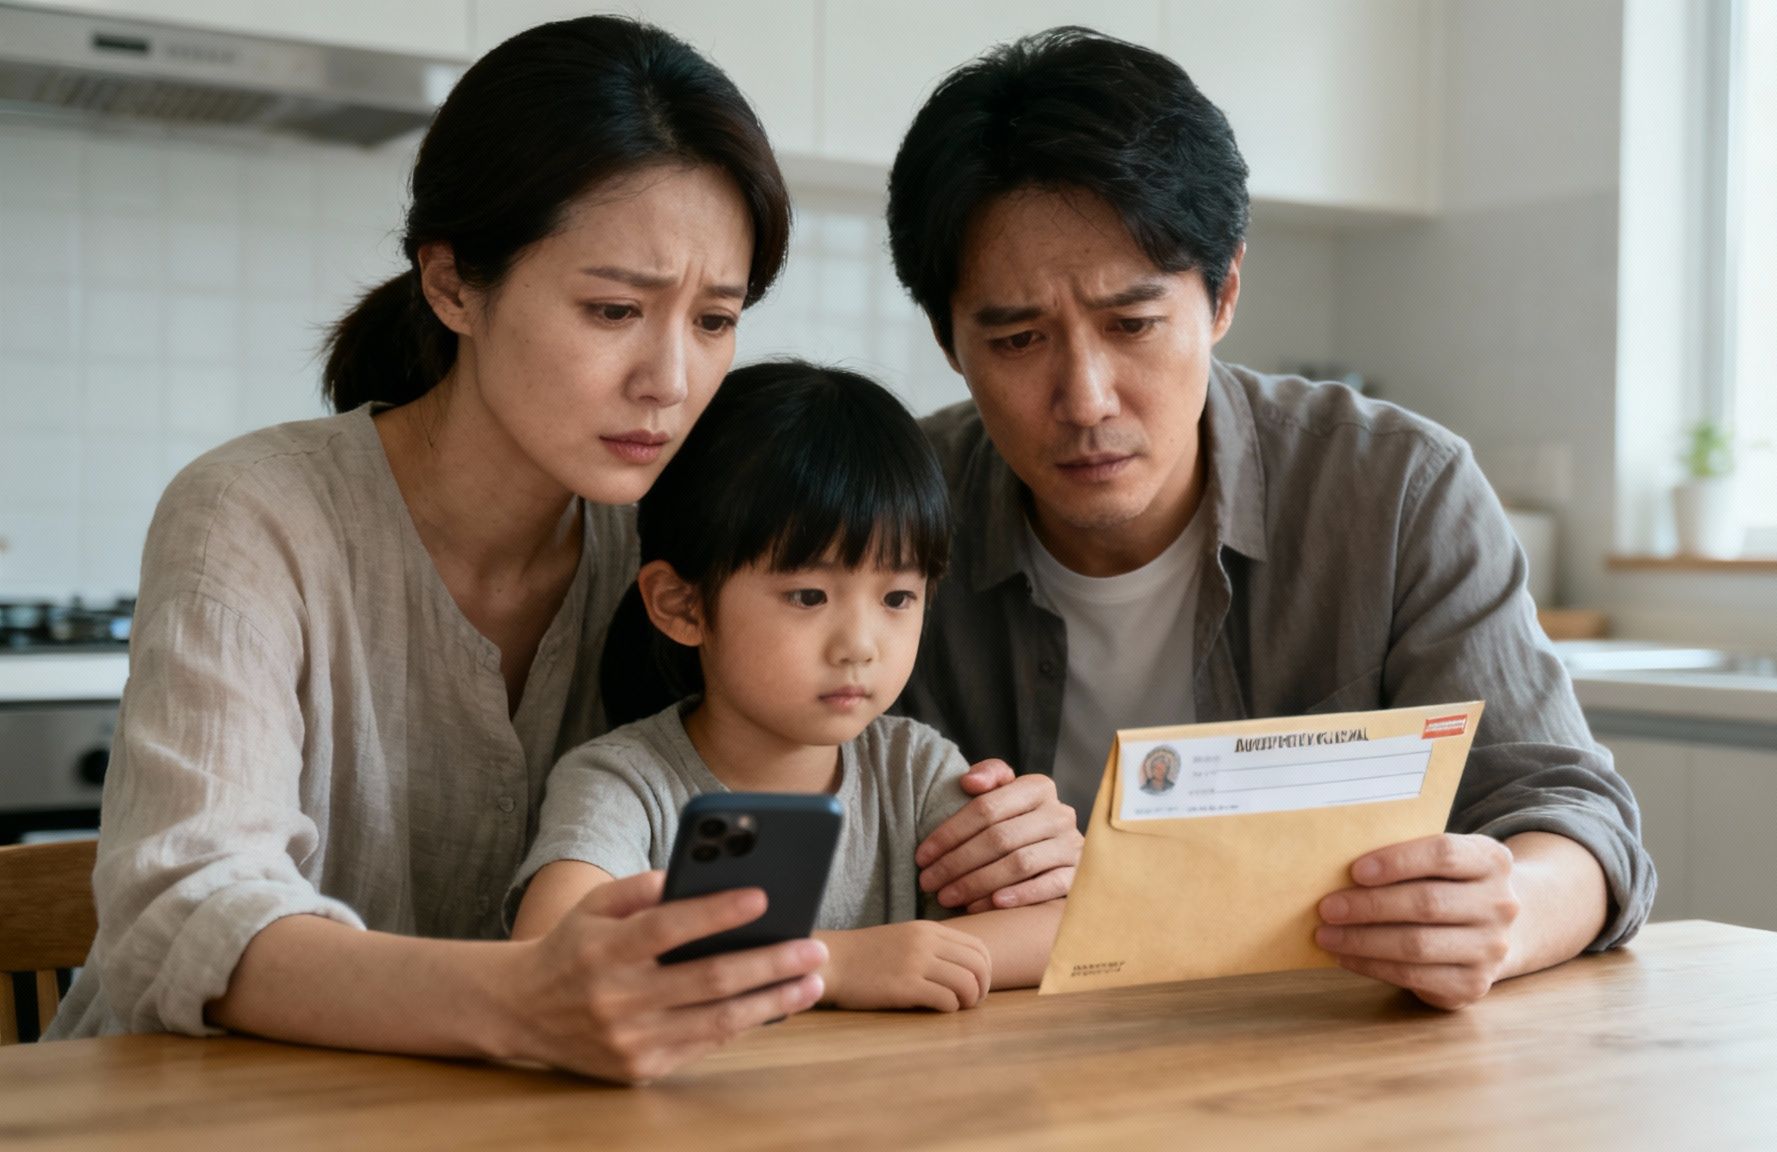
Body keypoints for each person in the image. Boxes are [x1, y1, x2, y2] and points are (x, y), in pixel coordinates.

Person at [45, 17, 1077, 1081]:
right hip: (181, 1111)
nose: (670, 381)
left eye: (714, 321)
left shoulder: (677, 536)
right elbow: (188, 911)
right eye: (614, 308)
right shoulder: (256, 514)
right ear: (452, 285)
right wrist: (529, 997)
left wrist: (1014, 846)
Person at [887, 27, 1656, 1010]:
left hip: (1313, 1051)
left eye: (1131, 326)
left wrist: (1505, 915)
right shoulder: (889, 518)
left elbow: (1567, 813)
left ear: (1222, 295)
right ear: (951, 343)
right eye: (1017, 338)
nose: (1083, 399)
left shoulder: (1392, 490)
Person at [513, 362, 1061, 1011]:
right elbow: (548, 955)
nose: (860, 645)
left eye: (896, 596)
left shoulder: (913, 768)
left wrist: (920, 957)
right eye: (808, 595)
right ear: (682, 606)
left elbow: (1061, 927)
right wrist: (832, 963)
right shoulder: (624, 783)